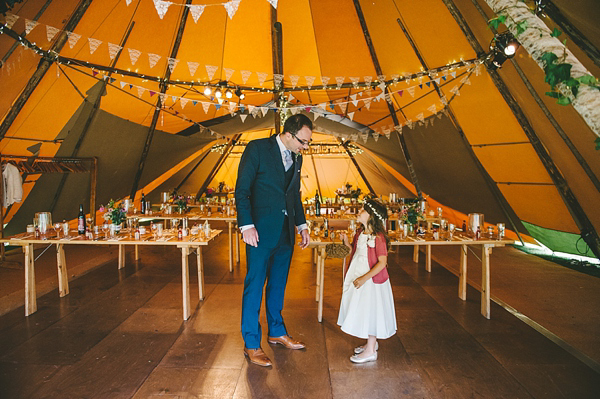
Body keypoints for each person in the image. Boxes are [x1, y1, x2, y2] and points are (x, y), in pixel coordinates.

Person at [235, 114, 313, 367]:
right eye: (303, 141)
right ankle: (251, 344)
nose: (305, 147)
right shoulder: (257, 149)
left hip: (285, 233)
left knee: (278, 285)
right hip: (258, 232)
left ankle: (277, 331)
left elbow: (294, 195)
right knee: (254, 286)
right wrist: (246, 225)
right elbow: (242, 190)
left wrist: (301, 225)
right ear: (289, 135)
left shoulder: (297, 157)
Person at [337, 198, 397, 363]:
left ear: (371, 216)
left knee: (371, 311)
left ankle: (371, 350)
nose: (359, 211)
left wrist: (364, 278)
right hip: (359, 277)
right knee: (364, 309)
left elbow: (382, 263)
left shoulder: (378, 237)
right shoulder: (360, 233)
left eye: (363, 210)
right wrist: (347, 243)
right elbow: (355, 252)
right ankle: (371, 343)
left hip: (371, 281)